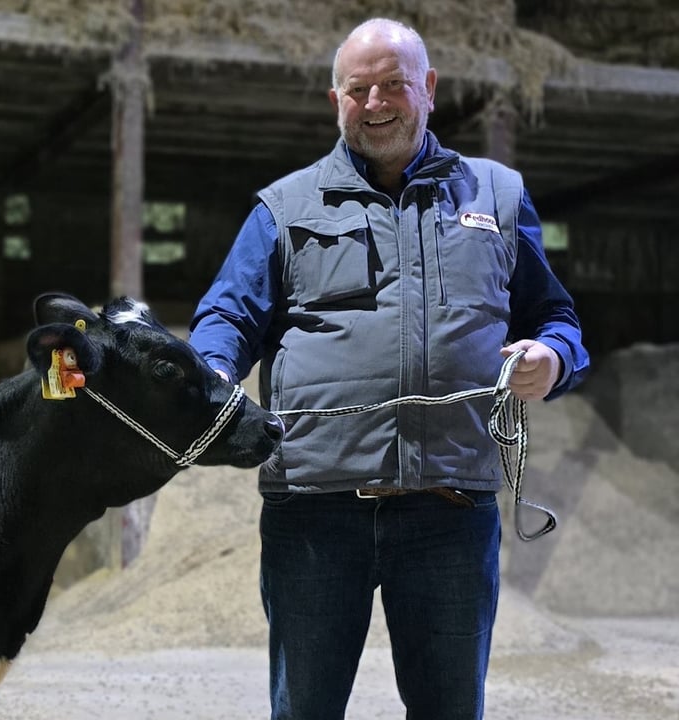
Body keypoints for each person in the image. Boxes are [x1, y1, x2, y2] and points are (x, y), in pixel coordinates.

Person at [188, 17, 590, 720]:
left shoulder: (495, 196)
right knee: (304, 708)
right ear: (334, 99)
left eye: (393, 86)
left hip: (449, 511)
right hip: (313, 509)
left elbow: (556, 319)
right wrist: (214, 370)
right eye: (357, 90)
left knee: (448, 709)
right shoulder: (284, 208)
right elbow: (227, 316)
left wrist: (552, 356)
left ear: (428, 88)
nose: (376, 104)